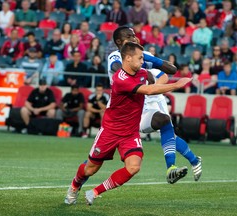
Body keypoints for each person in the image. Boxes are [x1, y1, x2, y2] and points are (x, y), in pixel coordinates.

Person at [64, 42, 192, 206]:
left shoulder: (141, 72)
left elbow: (161, 76)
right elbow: (148, 90)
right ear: (128, 58)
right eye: (139, 58)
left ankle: (95, 192)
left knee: (133, 167)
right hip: (110, 131)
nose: (142, 61)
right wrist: (175, 85)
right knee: (90, 169)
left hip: (130, 133)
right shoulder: (120, 79)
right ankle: (75, 186)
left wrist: (163, 74)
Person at [107, 26, 202, 184]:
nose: (134, 39)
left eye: (135, 36)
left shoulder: (142, 56)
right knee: (96, 158)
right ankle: (194, 160)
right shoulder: (115, 56)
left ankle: (171, 168)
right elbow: (118, 69)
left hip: (151, 101)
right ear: (119, 41)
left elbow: (170, 70)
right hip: (125, 110)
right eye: (129, 36)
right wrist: (143, 73)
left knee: (164, 123)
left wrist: (151, 63)